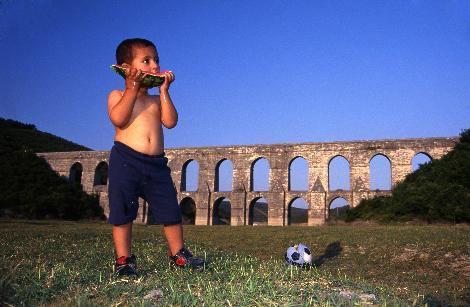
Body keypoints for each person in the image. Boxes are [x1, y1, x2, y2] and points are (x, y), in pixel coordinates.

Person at [107, 38, 205, 276]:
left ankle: (178, 253)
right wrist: (131, 88)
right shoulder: (117, 94)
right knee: (122, 211)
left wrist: (164, 92)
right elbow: (119, 119)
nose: (154, 66)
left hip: (156, 164)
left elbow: (171, 122)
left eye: (156, 60)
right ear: (126, 67)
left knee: (170, 209)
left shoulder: (155, 100)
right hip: (125, 160)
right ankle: (124, 259)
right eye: (146, 60)